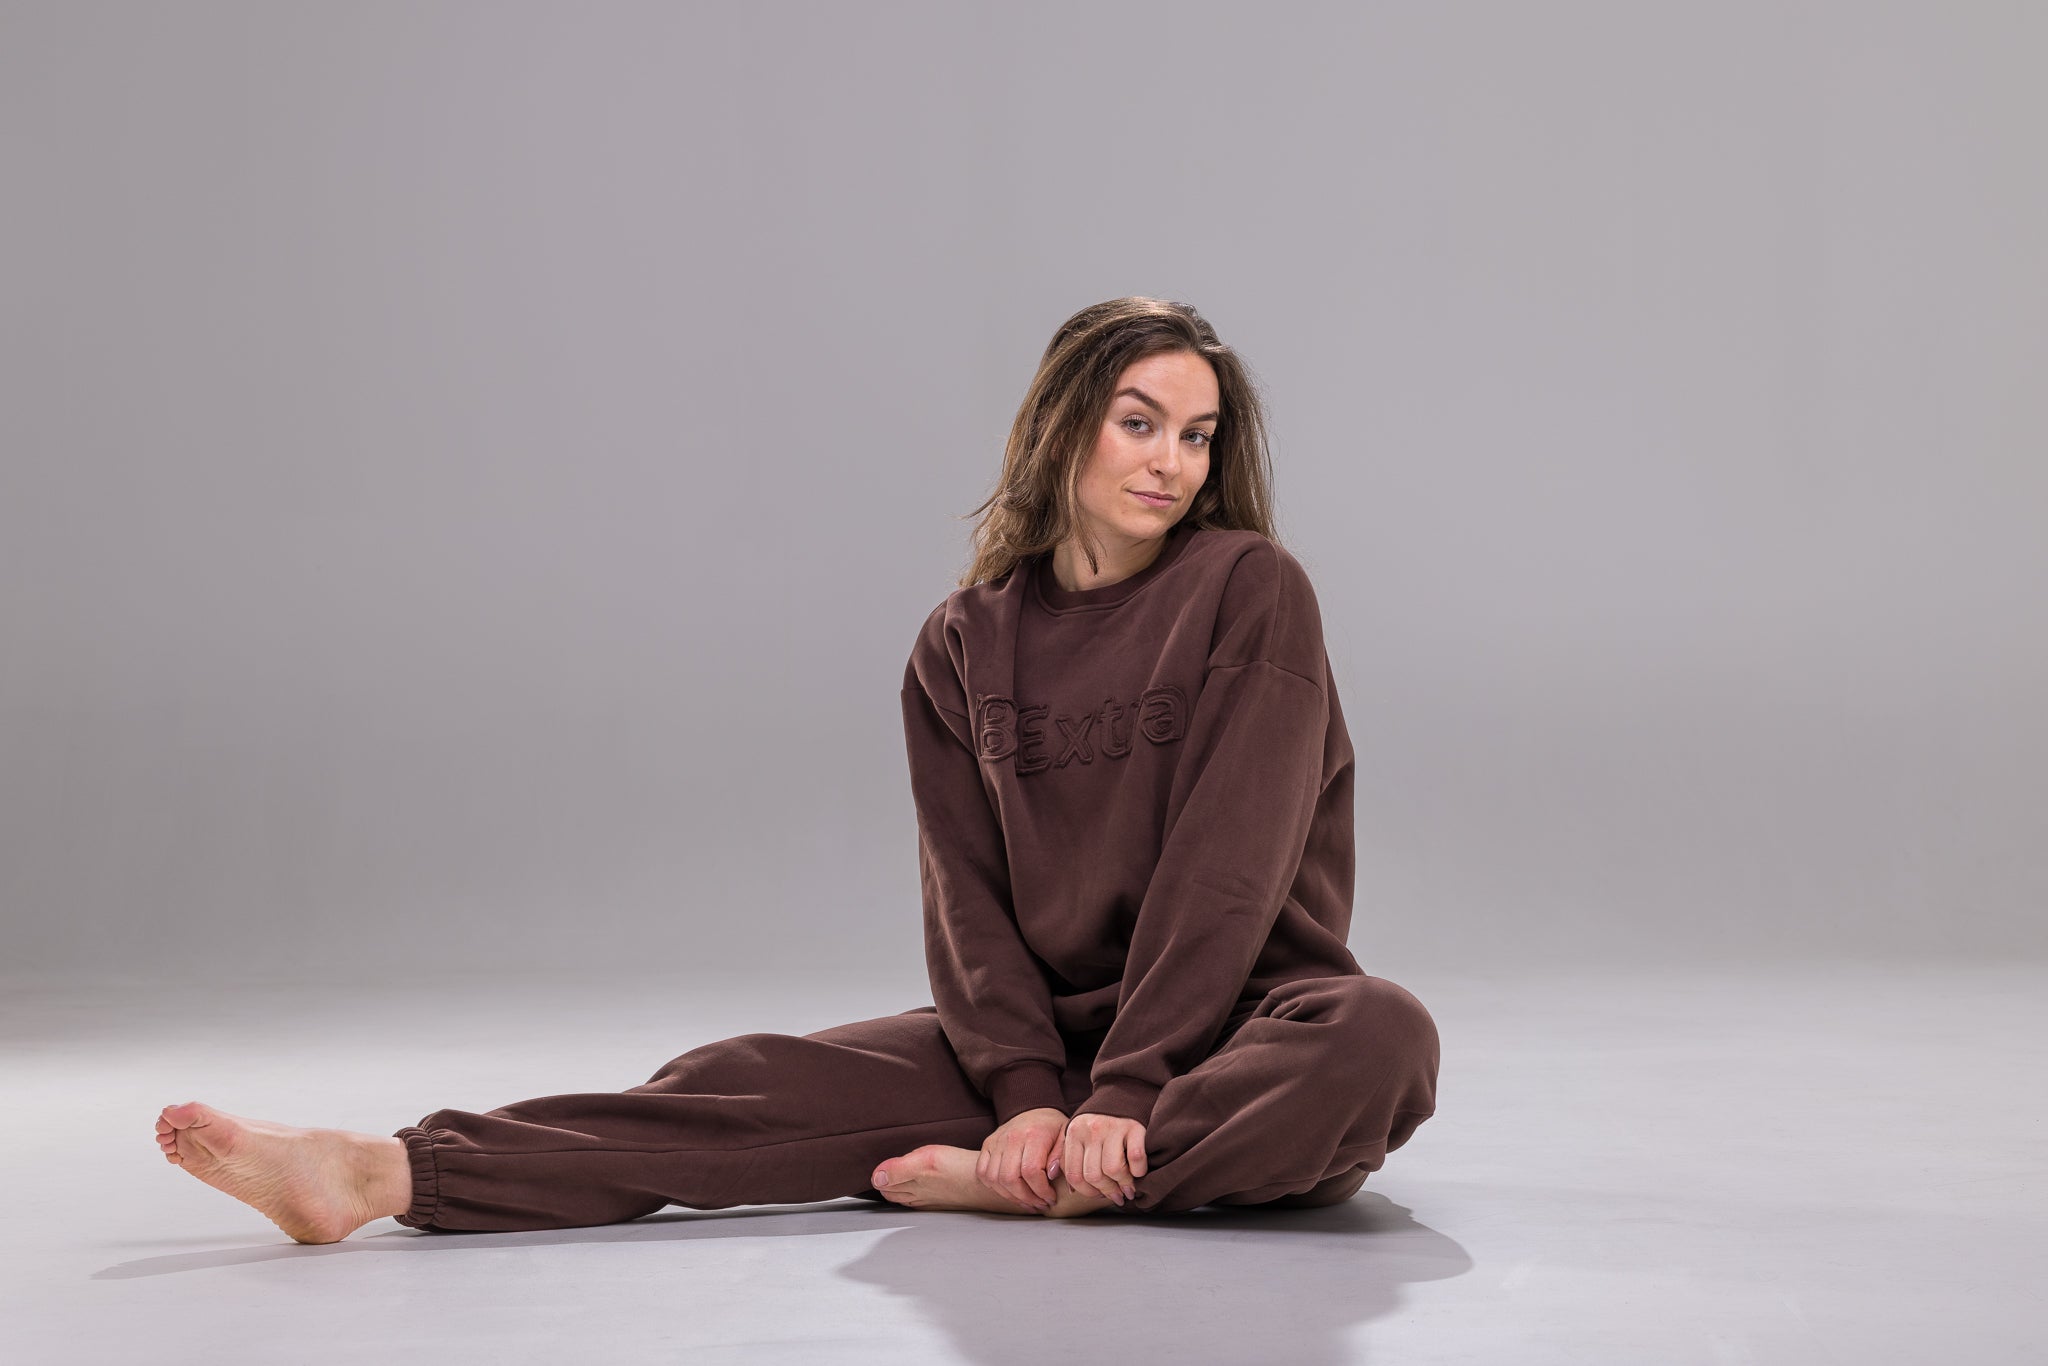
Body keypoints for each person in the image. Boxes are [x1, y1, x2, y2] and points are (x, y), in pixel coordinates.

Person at [152, 296, 1441, 1243]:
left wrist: (1130, 1088)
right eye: (1139, 424)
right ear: (1064, 430)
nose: (1171, 462)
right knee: (748, 1082)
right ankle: (381, 1174)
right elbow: (968, 906)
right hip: (1042, 1052)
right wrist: (1027, 1092)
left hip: (1234, 1041)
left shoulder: (1250, 590)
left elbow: (1229, 867)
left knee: (1380, 1039)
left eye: (1198, 437)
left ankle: (1041, 1188)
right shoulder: (964, 640)